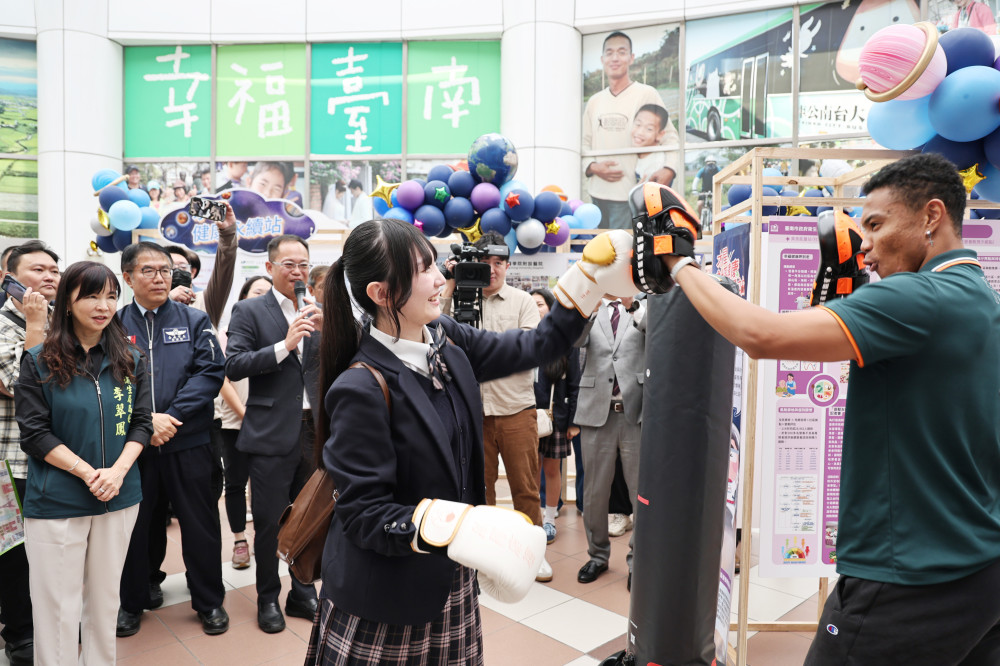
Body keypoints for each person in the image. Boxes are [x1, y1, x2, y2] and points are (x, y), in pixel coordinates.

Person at [657, 153, 1000, 664]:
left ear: (932, 217)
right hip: (980, 568)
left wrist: (677, 261)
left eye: (877, 225)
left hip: (910, 575)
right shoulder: (980, 300)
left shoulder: (917, 298)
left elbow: (759, 335)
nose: (865, 244)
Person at [305, 218, 634, 663]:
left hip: (449, 582)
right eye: (424, 270)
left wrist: (585, 280)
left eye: (435, 265)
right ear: (381, 294)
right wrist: (461, 528)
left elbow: (536, 345)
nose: (442, 278)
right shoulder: (359, 387)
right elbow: (364, 515)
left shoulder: (446, 341)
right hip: (386, 598)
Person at [15, 261, 152, 666]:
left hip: (120, 496)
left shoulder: (130, 357)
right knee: (58, 612)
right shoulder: (40, 360)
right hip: (59, 500)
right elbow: (35, 435)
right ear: (67, 301)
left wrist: (118, 472)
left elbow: (142, 423)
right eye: (91, 295)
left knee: (106, 603)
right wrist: (89, 473)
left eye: (111, 295)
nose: (103, 305)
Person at [115, 242, 228, 638]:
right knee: (135, 526)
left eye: (164, 270)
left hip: (188, 441)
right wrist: (147, 422)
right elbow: (107, 382)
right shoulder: (113, 325)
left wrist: (172, 416)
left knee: (199, 525)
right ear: (127, 277)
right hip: (134, 447)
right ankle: (131, 602)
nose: (159, 277)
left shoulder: (194, 320)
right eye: (148, 270)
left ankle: (210, 601)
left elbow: (210, 372)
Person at [440, 231, 552, 581]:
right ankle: (486, 557)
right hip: (471, 412)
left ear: (507, 265)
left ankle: (534, 555)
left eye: (498, 264)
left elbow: (530, 347)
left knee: (525, 487)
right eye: (484, 263)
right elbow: (431, 331)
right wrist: (448, 284)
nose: (491, 270)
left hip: (516, 409)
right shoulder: (456, 299)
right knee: (479, 488)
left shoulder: (522, 301)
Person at [225, 234, 322, 633]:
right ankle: (268, 597)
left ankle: (302, 592)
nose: (298, 272)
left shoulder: (320, 310)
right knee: (267, 520)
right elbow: (234, 364)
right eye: (289, 264)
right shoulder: (249, 310)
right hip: (269, 432)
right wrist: (284, 345)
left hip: (315, 431)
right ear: (269, 267)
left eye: (303, 264)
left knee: (312, 518)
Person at [0, 241, 60, 666]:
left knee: (50, 545)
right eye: (39, 269)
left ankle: (46, 621)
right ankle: (19, 632)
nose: (51, 276)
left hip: (59, 455)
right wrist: (35, 323)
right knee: (15, 551)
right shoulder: (5, 324)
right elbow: (19, 387)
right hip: (15, 460)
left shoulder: (63, 321)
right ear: (10, 277)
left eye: (55, 270)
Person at [573, 295, 646, 589]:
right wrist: (587, 310)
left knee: (640, 492)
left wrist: (632, 306)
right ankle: (598, 556)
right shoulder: (592, 306)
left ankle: (637, 562)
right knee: (594, 492)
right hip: (595, 411)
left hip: (636, 411)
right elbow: (574, 340)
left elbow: (658, 334)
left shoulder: (644, 303)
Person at [582, 31, 679, 229]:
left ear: (631, 57)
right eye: (609, 53)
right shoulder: (594, 101)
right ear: (602, 59)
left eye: (621, 52)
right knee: (598, 254)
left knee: (623, 255)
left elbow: (670, 137)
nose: (615, 58)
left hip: (630, 196)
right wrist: (593, 167)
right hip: (597, 196)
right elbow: (583, 143)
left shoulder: (646, 94)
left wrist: (669, 169)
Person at [215, 275, 272, 569]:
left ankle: (269, 539)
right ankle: (239, 540)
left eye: (267, 293)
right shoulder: (226, 333)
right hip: (233, 421)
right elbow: (221, 378)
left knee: (265, 484)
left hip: (269, 421)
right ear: (243, 296)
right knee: (235, 482)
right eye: (256, 292)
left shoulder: (278, 331)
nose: (262, 298)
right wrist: (243, 413)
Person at [530, 288, 581, 545]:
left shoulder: (564, 343)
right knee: (529, 470)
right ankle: (532, 518)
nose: (535, 308)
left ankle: (549, 519)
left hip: (554, 417)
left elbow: (575, 384)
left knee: (551, 469)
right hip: (524, 416)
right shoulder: (521, 337)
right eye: (531, 304)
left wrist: (572, 421)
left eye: (539, 303)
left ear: (550, 309)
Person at [632, 104, 675, 185]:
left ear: (660, 135)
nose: (640, 132)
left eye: (649, 129)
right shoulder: (638, 154)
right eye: (638, 124)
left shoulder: (656, 165)